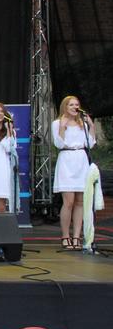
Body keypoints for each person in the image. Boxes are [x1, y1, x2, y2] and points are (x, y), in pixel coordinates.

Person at [52, 95, 96, 250]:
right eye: (71, 105)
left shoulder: (82, 123)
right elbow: (58, 144)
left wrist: (91, 126)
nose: (75, 107)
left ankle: (77, 236)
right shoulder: (57, 123)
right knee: (68, 202)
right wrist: (62, 128)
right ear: (65, 107)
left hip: (81, 160)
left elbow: (90, 144)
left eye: (77, 104)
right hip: (66, 159)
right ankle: (65, 236)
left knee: (80, 202)